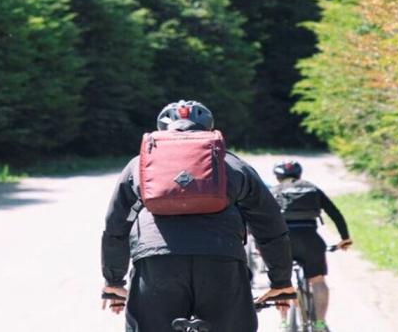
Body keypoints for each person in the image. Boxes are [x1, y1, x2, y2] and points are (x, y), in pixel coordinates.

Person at [100, 100, 296, 332]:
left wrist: (114, 281)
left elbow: (116, 226)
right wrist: (280, 281)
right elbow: (269, 223)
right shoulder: (232, 164)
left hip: (157, 261)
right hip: (221, 259)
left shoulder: (139, 165)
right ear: (208, 128)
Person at [270, 161, 352, 332]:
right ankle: (320, 324)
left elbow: (260, 219)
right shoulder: (311, 188)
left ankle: (284, 322)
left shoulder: (272, 192)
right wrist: (345, 238)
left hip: (282, 241)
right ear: (299, 175)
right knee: (318, 281)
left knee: (281, 281)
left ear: (277, 177)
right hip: (310, 240)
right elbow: (335, 214)